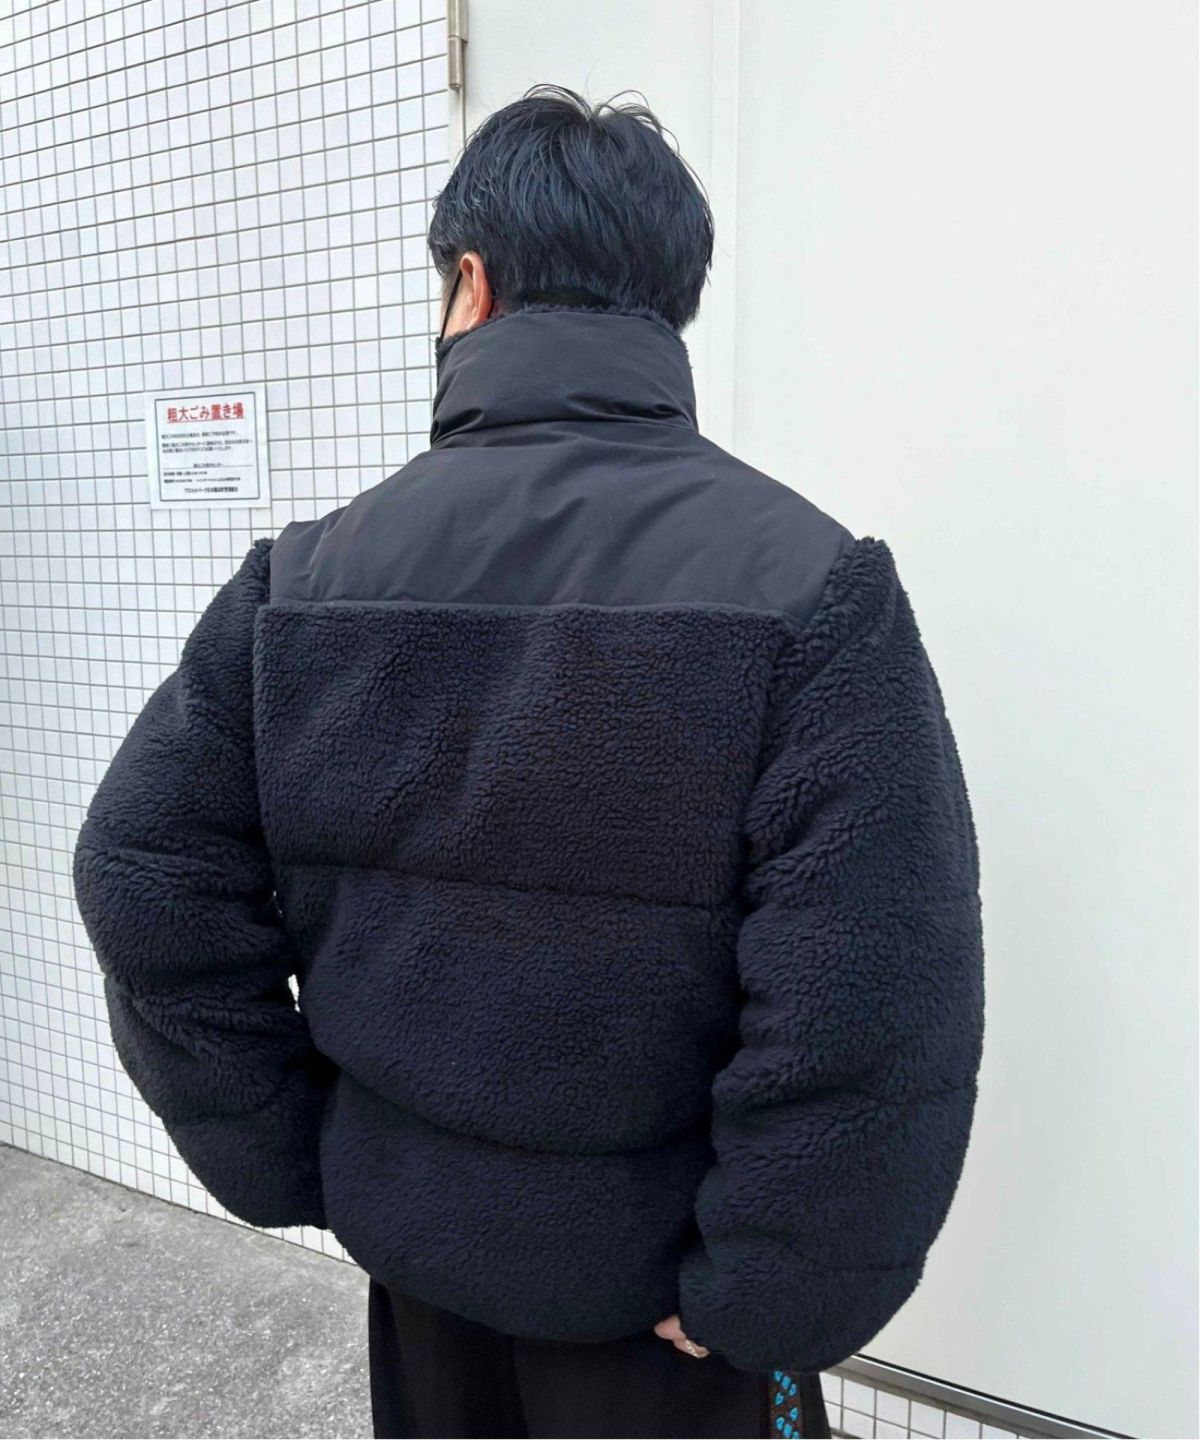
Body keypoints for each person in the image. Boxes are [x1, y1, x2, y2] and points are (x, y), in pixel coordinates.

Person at [72, 84, 985, 1440]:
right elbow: (876, 990)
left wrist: (292, 1151)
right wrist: (768, 1291)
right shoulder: (812, 590)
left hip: (420, 1269)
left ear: (475, 283)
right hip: (659, 1307)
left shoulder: (301, 584)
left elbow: (142, 871)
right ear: (668, 301)